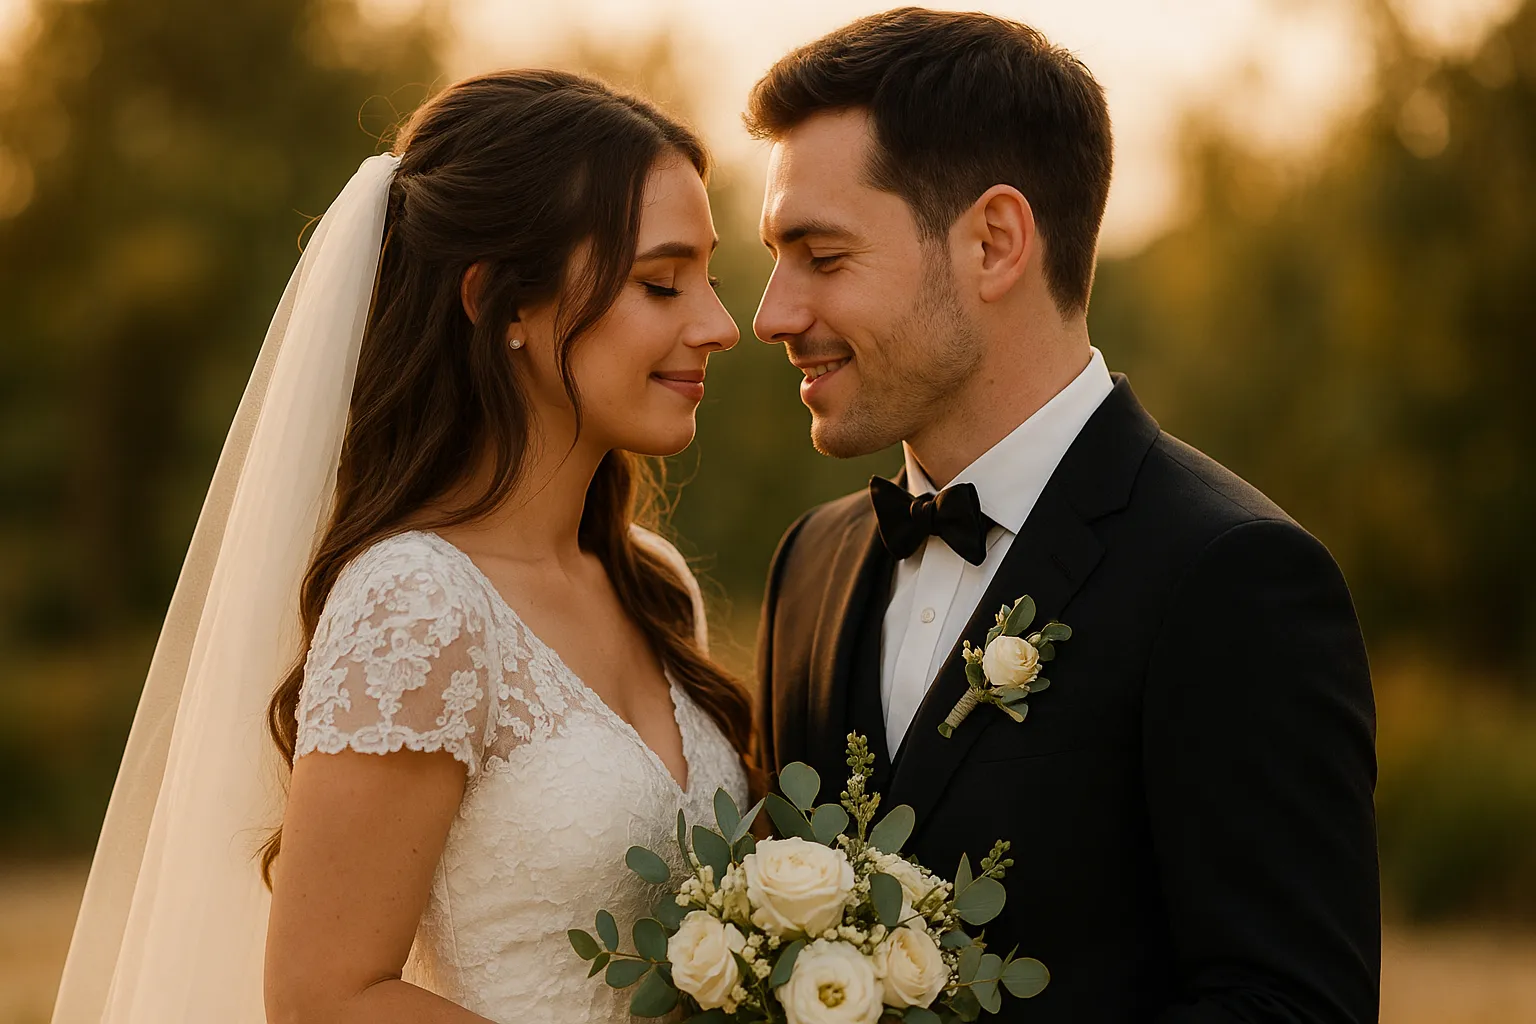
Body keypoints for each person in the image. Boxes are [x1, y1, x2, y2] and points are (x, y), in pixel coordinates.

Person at [52, 70, 755, 1024]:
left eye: (710, 280)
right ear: (499, 301)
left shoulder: (656, 586)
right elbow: (325, 998)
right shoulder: (418, 602)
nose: (719, 325)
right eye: (661, 283)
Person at [749, 9, 1380, 1023]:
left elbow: (1288, 1007)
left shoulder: (1233, 578)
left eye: (821, 257)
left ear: (994, 242)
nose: (771, 314)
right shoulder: (809, 568)